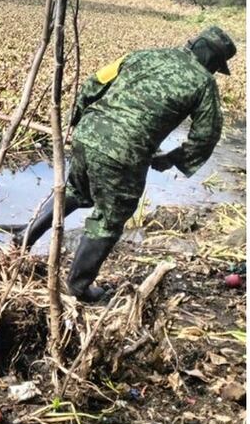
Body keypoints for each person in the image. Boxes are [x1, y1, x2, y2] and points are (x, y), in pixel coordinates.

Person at [18, 25, 236, 302]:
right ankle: (77, 287)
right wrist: (171, 159)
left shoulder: (144, 54)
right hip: (124, 153)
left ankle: (23, 239)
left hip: (89, 133)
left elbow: (94, 82)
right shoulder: (204, 83)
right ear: (213, 61)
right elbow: (206, 137)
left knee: (75, 190)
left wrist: (79, 122)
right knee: (109, 219)